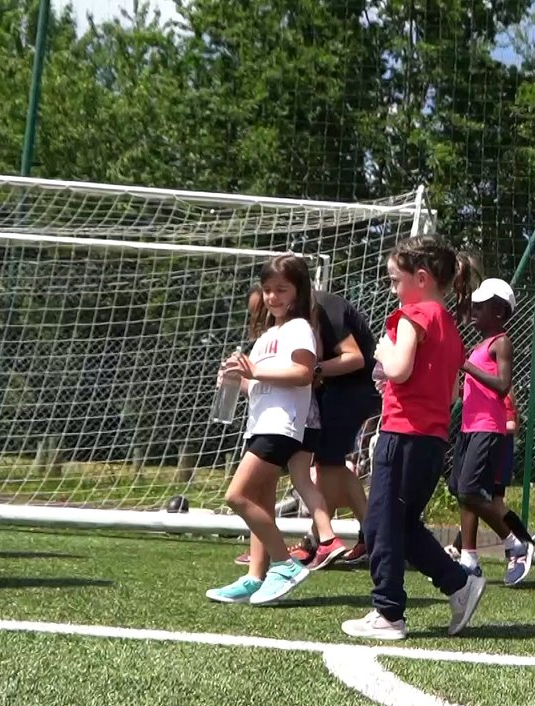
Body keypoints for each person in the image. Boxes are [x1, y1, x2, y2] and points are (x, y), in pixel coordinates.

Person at [341, 235, 486, 641]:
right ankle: (458, 583)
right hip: (431, 439)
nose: (393, 290)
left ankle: (388, 612)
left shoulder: (412, 315)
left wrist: (383, 354)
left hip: (402, 434)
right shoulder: (451, 328)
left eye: (395, 281)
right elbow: (451, 392)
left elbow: (400, 368)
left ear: (421, 279)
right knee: (401, 525)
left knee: (381, 525)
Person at [206, 255, 317, 606]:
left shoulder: (299, 328)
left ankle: (285, 564)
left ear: (298, 292)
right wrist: (236, 379)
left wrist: (254, 372)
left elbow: (303, 374)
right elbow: (258, 385)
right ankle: (256, 577)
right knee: (262, 503)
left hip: (280, 427)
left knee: (237, 496)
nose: (272, 297)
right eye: (268, 289)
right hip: (258, 425)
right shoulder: (267, 335)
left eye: (281, 289)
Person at [450, 277, 535, 587]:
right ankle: (469, 560)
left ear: (499, 312)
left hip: (488, 429)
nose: (474, 311)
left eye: (481, 307)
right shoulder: (478, 347)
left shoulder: (501, 342)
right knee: (461, 493)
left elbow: (502, 385)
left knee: (470, 491)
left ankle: (515, 543)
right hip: (469, 428)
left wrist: (466, 366)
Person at [309, 288, 381, 566]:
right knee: (332, 464)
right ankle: (374, 538)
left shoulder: (326, 306)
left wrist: (314, 369)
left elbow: (354, 357)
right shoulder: (298, 311)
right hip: (339, 389)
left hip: (356, 390)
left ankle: (319, 540)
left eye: (280, 289)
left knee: (327, 462)